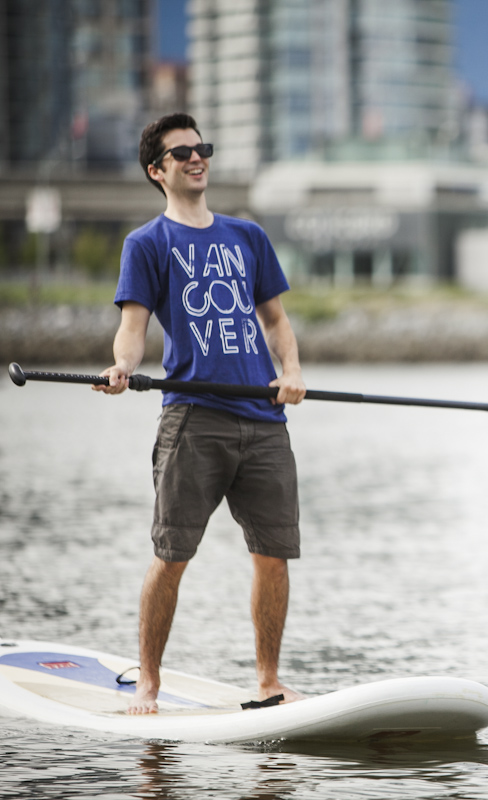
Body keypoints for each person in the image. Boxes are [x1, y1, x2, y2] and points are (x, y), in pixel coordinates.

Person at [95, 113, 308, 714]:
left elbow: (275, 322)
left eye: (202, 148)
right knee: (172, 556)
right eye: (182, 152)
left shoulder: (247, 236)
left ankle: (268, 680)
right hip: (193, 419)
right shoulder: (147, 244)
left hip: (264, 420)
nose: (197, 158)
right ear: (156, 171)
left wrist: (289, 371)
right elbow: (131, 330)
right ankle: (149, 683)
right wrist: (121, 368)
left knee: (274, 556)